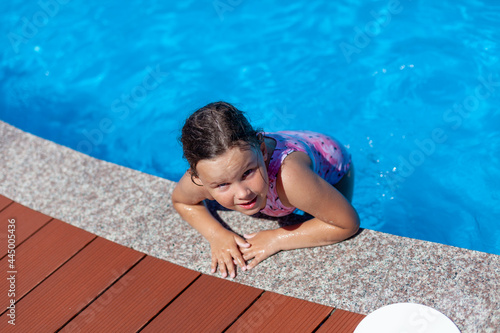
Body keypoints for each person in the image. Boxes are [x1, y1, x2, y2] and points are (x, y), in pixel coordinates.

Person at [172, 101, 359, 278]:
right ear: (199, 179)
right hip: (259, 147)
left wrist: (277, 239)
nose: (243, 193)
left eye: (248, 173)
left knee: (326, 215)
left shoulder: (289, 179)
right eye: (223, 185)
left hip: (330, 161)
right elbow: (181, 201)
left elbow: (346, 223)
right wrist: (216, 234)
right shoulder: (211, 173)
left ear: (262, 151)